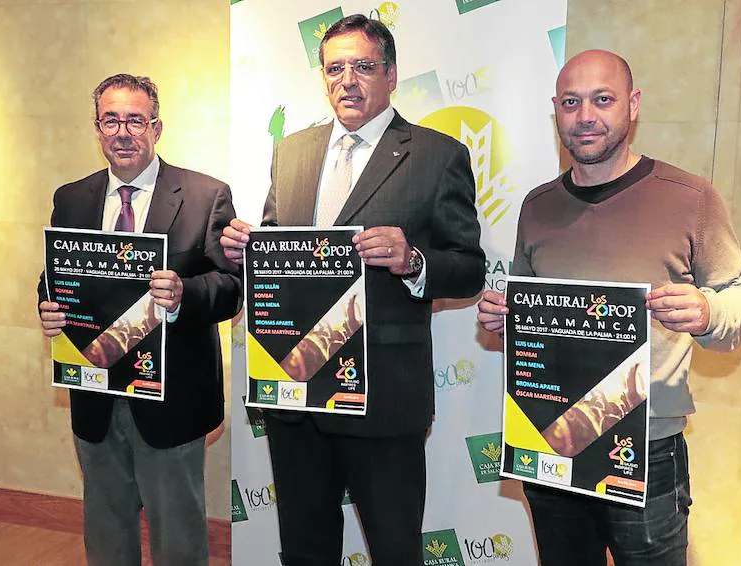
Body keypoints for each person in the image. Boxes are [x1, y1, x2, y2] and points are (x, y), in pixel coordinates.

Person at [477, 50, 741, 565]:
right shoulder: (537, 206)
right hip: (550, 439)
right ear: (556, 112)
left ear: (632, 105)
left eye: (602, 100)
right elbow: (525, 304)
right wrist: (503, 319)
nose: (586, 116)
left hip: (646, 446)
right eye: (571, 103)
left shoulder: (690, 197)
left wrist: (706, 311)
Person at [220, 14, 485, 566]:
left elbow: (467, 268)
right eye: (335, 67)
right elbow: (279, 249)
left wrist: (413, 259)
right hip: (294, 391)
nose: (348, 80)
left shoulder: (438, 156)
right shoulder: (291, 151)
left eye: (363, 66)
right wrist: (248, 251)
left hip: (385, 399)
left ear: (390, 75)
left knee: (393, 549)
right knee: (305, 547)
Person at [37, 74, 242, 566]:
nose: (123, 131)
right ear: (97, 128)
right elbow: (54, 277)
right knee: (106, 531)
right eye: (111, 120)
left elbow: (231, 289)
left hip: (173, 400)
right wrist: (47, 305)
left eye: (135, 119)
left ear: (156, 127)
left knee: (177, 538)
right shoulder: (72, 198)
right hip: (96, 394)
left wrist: (183, 295)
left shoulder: (205, 195)